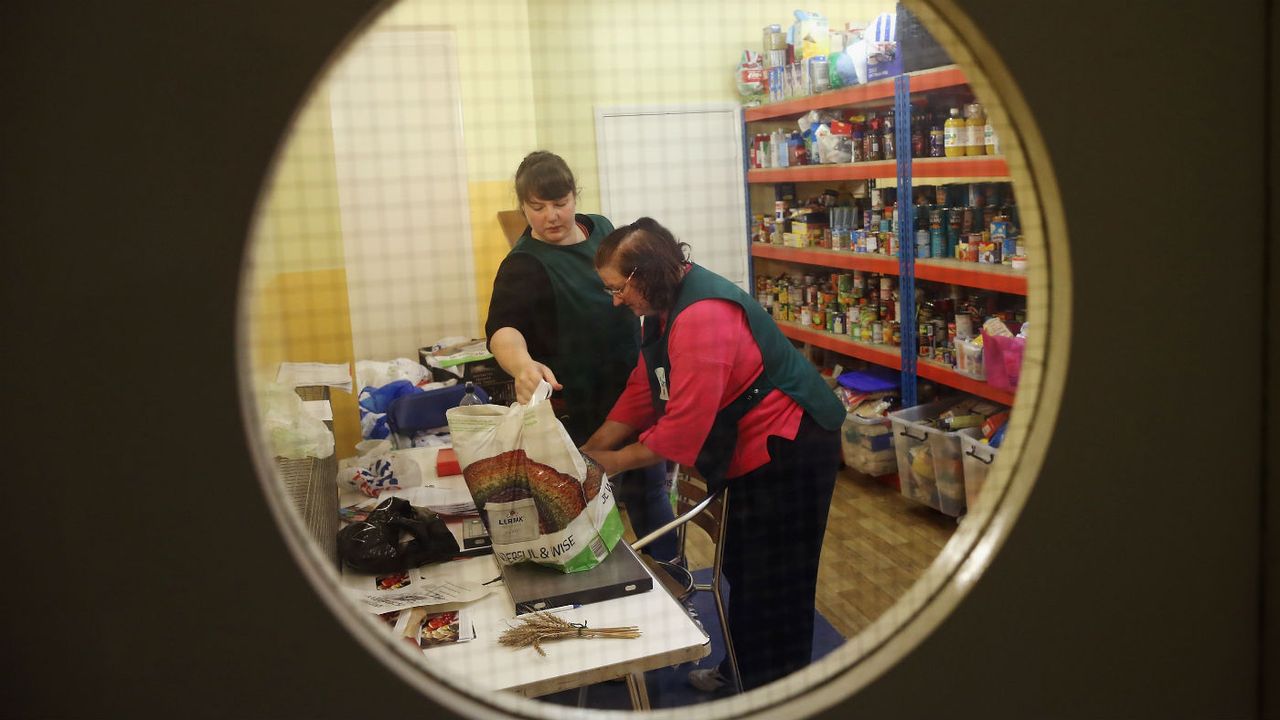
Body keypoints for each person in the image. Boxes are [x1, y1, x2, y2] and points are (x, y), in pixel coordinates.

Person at [581, 217, 845, 693]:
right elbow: (644, 391)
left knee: (777, 580)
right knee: (742, 568)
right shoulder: (661, 308)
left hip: (791, 448)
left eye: (618, 288)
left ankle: (775, 691)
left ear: (644, 275)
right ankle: (743, 672)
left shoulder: (702, 316)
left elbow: (681, 433)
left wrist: (608, 464)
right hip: (754, 448)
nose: (616, 299)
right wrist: (591, 448)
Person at [484, 152, 676, 561]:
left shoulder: (602, 230)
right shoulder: (523, 265)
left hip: (636, 396)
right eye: (537, 207)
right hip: (578, 412)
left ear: (576, 196)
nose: (551, 216)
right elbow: (503, 329)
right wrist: (522, 366)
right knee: (585, 516)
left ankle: (677, 589)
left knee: (652, 499)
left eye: (560, 203)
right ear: (523, 207)